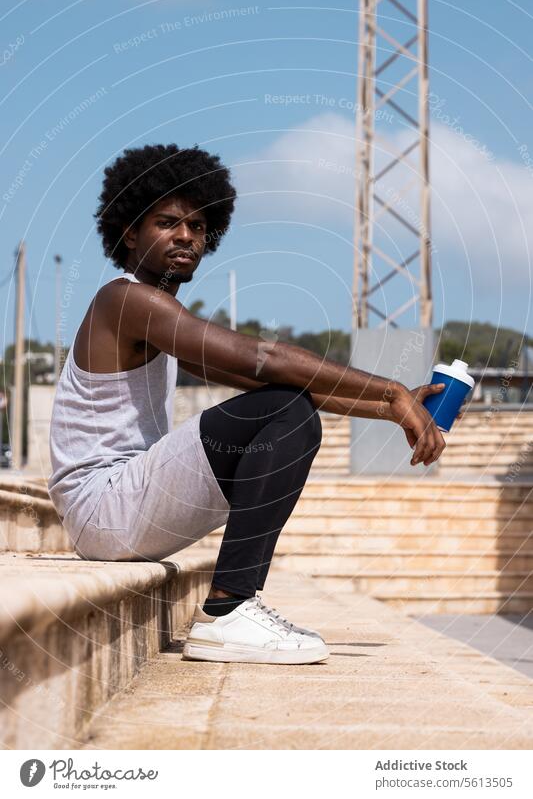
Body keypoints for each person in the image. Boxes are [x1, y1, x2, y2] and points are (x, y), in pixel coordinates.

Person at [48, 142, 448, 666]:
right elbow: (265, 359)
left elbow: (258, 376)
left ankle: (233, 605)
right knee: (285, 409)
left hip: (121, 508)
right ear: (129, 232)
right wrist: (389, 390)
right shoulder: (124, 300)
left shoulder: (157, 310)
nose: (187, 236)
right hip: (104, 505)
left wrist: (386, 408)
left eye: (197, 226)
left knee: (286, 405)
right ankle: (228, 611)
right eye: (167, 222)